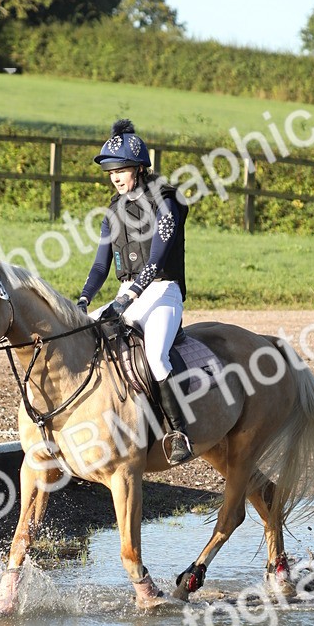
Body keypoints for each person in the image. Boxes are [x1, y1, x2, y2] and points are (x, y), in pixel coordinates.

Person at [77, 119, 193, 466]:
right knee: (85, 339)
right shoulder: (112, 212)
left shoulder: (166, 202)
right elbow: (100, 268)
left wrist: (129, 297)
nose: (115, 176)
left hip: (162, 292)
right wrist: (82, 300)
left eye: (121, 169)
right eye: (110, 171)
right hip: (127, 291)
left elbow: (157, 259)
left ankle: (179, 432)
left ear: (140, 168)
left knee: (156, 356)